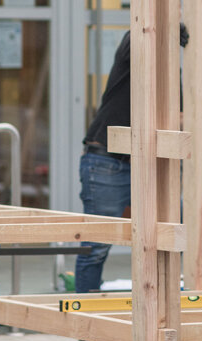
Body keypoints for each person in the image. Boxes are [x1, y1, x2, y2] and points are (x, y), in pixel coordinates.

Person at [75, 24, 190, 293]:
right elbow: (138, 32)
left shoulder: (173, 73)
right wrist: (166, 24)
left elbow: (180, 115)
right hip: (107, 163)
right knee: (96, 248)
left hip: (148, 166)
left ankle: (161, 310)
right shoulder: (133, 52)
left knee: (172, 239)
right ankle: (89, 323)